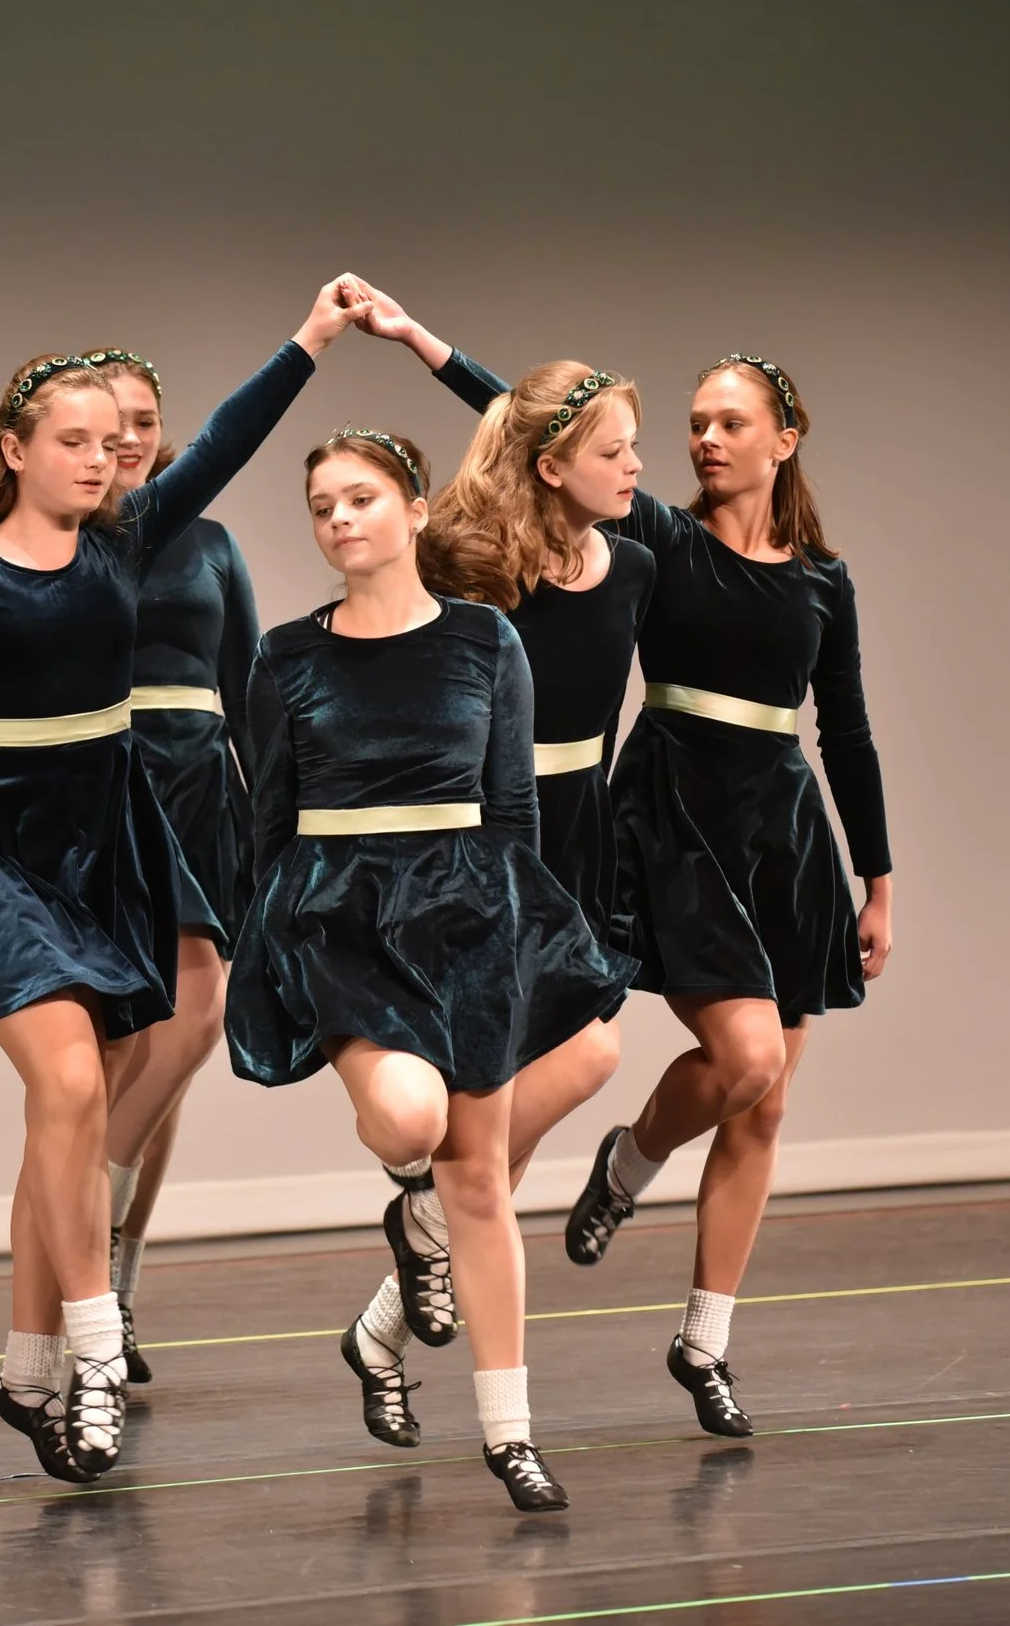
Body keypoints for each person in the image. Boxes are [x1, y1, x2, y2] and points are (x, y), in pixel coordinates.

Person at [0, 281, 366, 1482]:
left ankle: (26, 1365)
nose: (99, 456)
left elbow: (226, 441)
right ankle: (96, 1349)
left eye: (110, 442)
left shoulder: (126, 540)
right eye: (69, 441)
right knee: (68, 1084)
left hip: (107, 839)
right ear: (13, 451)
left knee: (72, 1109)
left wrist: (312, 339)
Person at [363, 286, 896, 1439]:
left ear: (785, 439)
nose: (702, 440)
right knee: (731, 1055)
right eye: (692, 422)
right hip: (670, 815)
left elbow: (843, 730)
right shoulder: (657, 536)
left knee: (762, 1097)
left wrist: (878, 879)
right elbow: (537, 425)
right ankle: (616, 1166)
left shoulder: (822, 580)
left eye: (726, 422)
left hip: (783, 832)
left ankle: (703, 1340)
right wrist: (422, 343)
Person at [227, 426, 631, 1511]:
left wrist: (523, 932)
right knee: (410, 1123)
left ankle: (510, 1435)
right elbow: (269, 821)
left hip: (467, 907)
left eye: (361, 497)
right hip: (341, 915)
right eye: (322, 506)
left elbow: (512, 808)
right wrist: (269, 942)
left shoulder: (486, 642)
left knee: (480, 1180)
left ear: (413, 509)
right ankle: (410, 1219)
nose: (341, 519)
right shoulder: (285, 656)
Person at [330, 347, 656, 1446]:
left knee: (542, 1092)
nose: (636, 468)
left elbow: (540, 424)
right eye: (615, 452)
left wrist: (435, 347)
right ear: (555, 463)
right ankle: (421, 1272)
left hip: (579, 836)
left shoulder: (638, 560)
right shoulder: (473, 562)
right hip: (481, 843)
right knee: (494, 1114)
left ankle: (391, 1299)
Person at [83, 347, 260, 1384]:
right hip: (106, 789)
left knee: (183, 1044)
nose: (130, 437)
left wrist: (273, 817)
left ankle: (113, 1288)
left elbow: (246, 685)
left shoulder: (213, 541)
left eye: (144, 418)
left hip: (201, 790)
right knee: (125, 1056)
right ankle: (83, 1276)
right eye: (109, 422)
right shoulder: (67, 543)